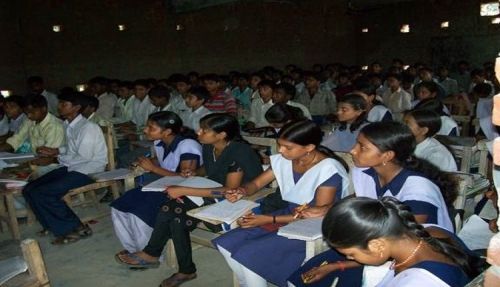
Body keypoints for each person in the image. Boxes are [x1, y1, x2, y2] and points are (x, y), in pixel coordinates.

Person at [115, 113, 262, 287]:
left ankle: (172, 263)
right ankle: (166, 261)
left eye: (205, 130)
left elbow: (229, 191)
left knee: (176, 213)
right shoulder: (209, 146)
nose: (198, 132)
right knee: (169, 209)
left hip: (236, 199)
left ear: (222, 135)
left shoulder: (238, 151)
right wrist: (193, 173)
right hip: (212, 190)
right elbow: (208, 168)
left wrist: (185, 189)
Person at [213, 120, 349, 287]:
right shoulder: (284, 160)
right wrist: (241, 190)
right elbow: (255, 184)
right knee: (226, 243)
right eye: (279, 145)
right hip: (287, 214)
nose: (281, 150)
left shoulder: (328, 169)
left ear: (309, 148)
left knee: (249, 253)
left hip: (313, 225)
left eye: (288, 147)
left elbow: (314, 216)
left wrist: (268, 220)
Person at [289, 197, 477, 287]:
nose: (350, 258)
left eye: (351, 254)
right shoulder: (426, 233)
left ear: (377, 245)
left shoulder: (419, 282)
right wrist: (335, 266)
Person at [22, 91, 108, 244]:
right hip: (72, 166)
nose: (59, 107)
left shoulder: (88, 127)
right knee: (29, 189)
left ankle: (75, 228)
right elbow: (70, 148)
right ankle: (52, 225)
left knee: (45, 193)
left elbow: (84, 156)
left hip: (89, 169)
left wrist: (54, 158)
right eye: (59, 103)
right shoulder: (69, 124)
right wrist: (56, 151)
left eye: (64, 104)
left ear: (76, 107)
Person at [111, 111, 202, 254]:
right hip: (162, 185)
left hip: (183, 192)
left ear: (167, 131)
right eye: (147, 126)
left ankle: (147, 253)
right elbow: (162, 162)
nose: (145, 130)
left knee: (139, 212)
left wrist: (153, 168)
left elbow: (187, 179)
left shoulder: (187, 145)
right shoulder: (159, 143)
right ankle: (132, 249)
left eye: (151, 128)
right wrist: (145, 163)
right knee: (119, 206)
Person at [351, 121, 456, 231]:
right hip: (378, 236)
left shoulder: (419, 189)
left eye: (362, 147)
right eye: (356, 143)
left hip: (420, 244)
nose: (353, 150)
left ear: (387, 156)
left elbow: (407, 235)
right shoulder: (365, 173)